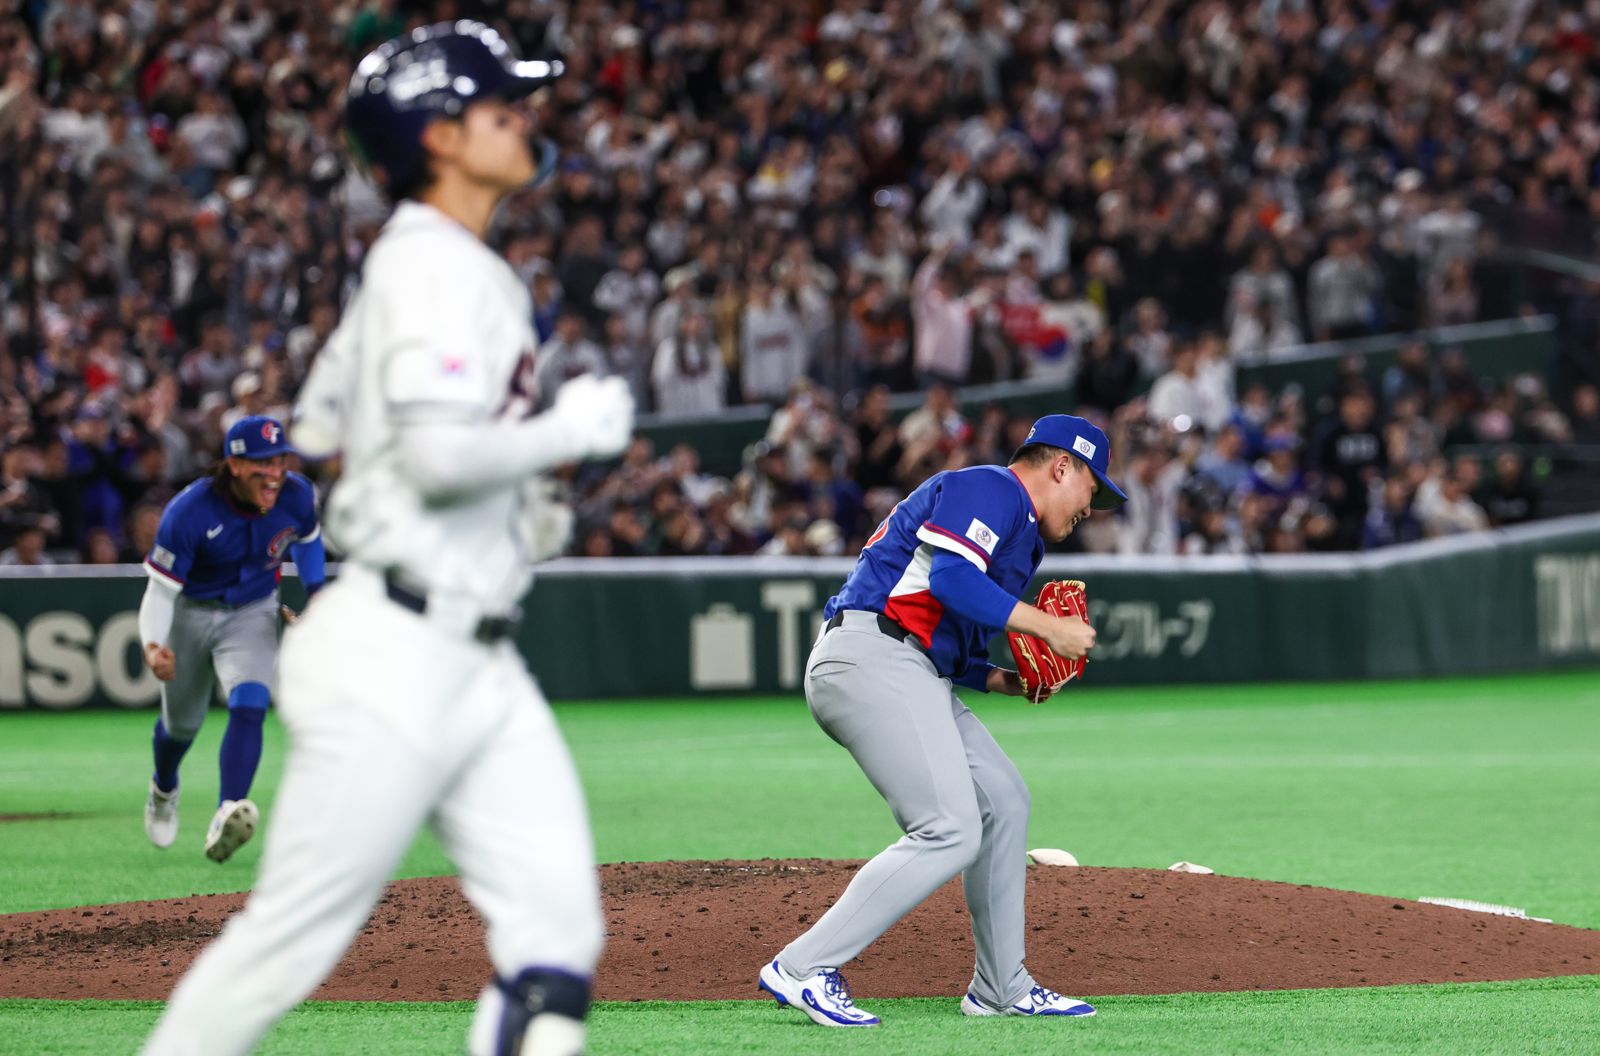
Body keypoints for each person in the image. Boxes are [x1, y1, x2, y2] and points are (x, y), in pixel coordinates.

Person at [141, 24, 633, 1056]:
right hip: (397, 654)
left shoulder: (444, 265)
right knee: (287, 942)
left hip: (476, 656)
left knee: (556, 938)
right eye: (503, 107)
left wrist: (520, 496)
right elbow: (439, 459)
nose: (527, 120)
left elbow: (346, 426)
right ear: (441, 136)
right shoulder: (429, 266)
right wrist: (572, 431)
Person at [757, 414, 1127, 1027]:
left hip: (910, 665)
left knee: (1003, 800)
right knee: (949, 827)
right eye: (1094, 487)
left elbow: (947, 647)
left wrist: (1005, 681)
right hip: (869, 656)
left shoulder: (1019, 534)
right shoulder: (992, 488)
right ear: (1063, 465)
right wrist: (1045, 624)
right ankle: (803, 967)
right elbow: (953, 579)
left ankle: (1001, 986)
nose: (1094, 505)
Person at [138, 415, 324, 864]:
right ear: (235, 465)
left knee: (251, 703)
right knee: (181, 725)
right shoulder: (190, 511)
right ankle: (163, 786)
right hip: (190, 612)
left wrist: (318, 598)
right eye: (263, 463)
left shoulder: (296, 495)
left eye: (279, 459)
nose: (275, 472)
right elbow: (161, 591)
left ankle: (229, 810)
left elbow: (308, 542)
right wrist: (152, 644)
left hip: (253, 609)